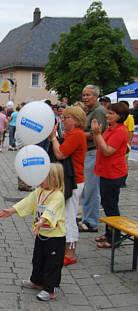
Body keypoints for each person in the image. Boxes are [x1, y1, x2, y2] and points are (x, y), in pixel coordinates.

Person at [0, 163, 65, 301]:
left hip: (55, 237)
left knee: (52, 264)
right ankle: (37, 281)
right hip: (40, 233)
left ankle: (50, 289)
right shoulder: (39, 191)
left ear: (53, 179)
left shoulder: (58, 196)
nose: (39, 179)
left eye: (43, 176)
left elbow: (50, 211)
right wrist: (12, 210)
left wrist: (41, 222)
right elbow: (28, 202)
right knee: (38, 259)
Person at [49, 106, 87, 266]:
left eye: (66, 118)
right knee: (65, 214)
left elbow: (61, 153)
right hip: (70, 179)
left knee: (70, 216)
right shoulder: (72, 134)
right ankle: (66, 248)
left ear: (76, 120)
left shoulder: (77, 135)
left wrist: (53, 139)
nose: (63, 120)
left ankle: (70, 252)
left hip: (74, 180)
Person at [91, 102, 129, 248]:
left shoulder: (120, 131)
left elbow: (107, 150)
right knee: (107, 205)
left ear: (120, 116)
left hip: (113, 173)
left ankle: (114, 238)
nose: (107, 115)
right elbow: (99, 144)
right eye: (108, 112)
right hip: (105, 171)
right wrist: (97, 134)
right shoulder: (111, 128)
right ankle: (109, 233)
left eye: (111, 113)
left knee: (111, 206)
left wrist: (98, 134)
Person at [79, 85, 107, 232]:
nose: (85, 98)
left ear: (96, 96)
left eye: (88, 95)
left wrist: (77, 135)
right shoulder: (89, 111)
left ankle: (91, 221)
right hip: (87, 152)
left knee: (91, 189)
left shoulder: (99, 111)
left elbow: (97, 133)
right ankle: (86, 217)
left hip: (93, 152)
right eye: (83, 95)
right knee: (86, 189)